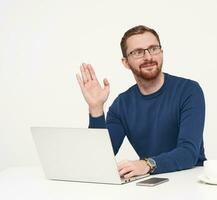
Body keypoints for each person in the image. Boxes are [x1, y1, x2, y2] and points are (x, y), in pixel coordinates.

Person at [76, 25, 206, 179]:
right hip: (150, 183)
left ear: (161, 52)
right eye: (137, 52)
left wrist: (146, 164)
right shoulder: (121, 105)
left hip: (190, 179)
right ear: (125, 62)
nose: (148, 57)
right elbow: (99, 158)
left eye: (153, 48)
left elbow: (188, 153)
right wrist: (96, 108)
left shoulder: (188, 90)